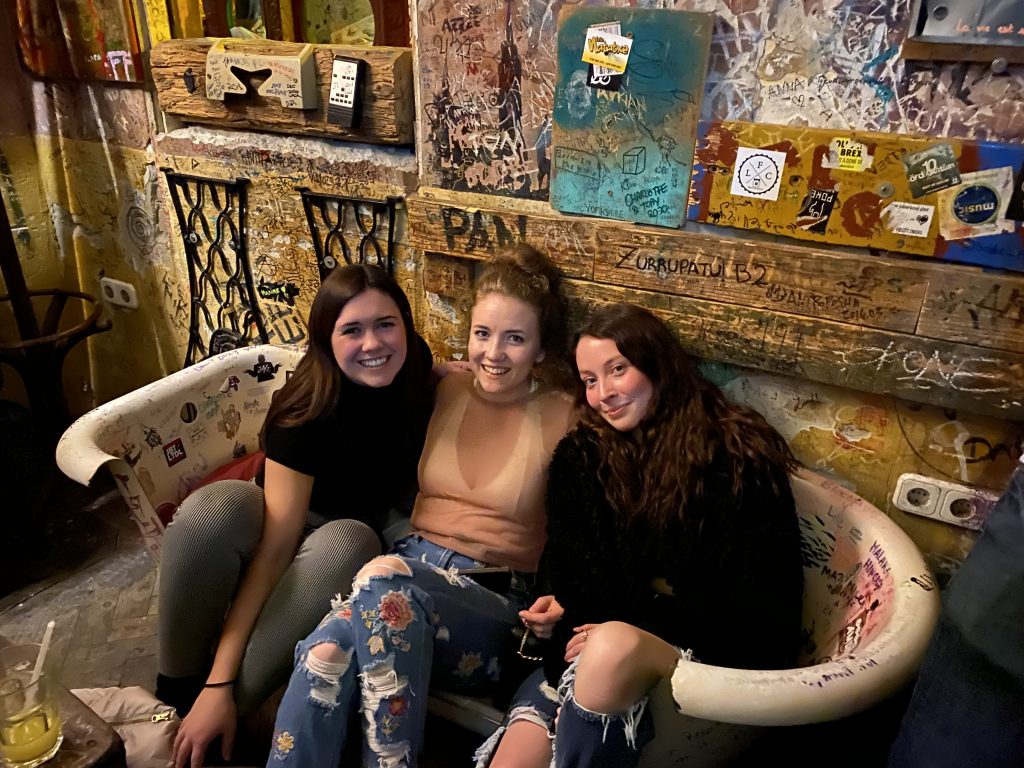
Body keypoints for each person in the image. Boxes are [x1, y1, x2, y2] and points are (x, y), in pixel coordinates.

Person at [266, 245, 575, 767]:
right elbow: (370, 405)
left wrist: (567, 600)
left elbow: (586, 531)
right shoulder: (445, 389)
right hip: (404, 577)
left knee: (384, 584)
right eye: (482, 334)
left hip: (494, 603)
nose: (493, 354)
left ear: (541, 349)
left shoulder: (568, 416)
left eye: (515, 338)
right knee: (326, 654)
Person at [479, 303, 804, 768]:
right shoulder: (584, 455)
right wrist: (557, 604)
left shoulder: (735, 457)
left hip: (705, 667)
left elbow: (758, 612)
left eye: (617, 370)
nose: (604, 394)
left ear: (657, 366)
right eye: (590, 380)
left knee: (613, 647)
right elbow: (572, 572)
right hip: (579, 662)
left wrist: (628, 622)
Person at [161, 263, 434, 768]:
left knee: (350, 540)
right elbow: (274, 550)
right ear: (325, 340)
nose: (373, 342)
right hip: (279, 521)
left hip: (341, 538)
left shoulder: (415, 362)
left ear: (406, 326)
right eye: (351, 330)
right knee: (211, 511)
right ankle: (179, 694)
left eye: (386, 324)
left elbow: (419, 375)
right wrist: (215, 679)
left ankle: (226, 719)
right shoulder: (304, 416)